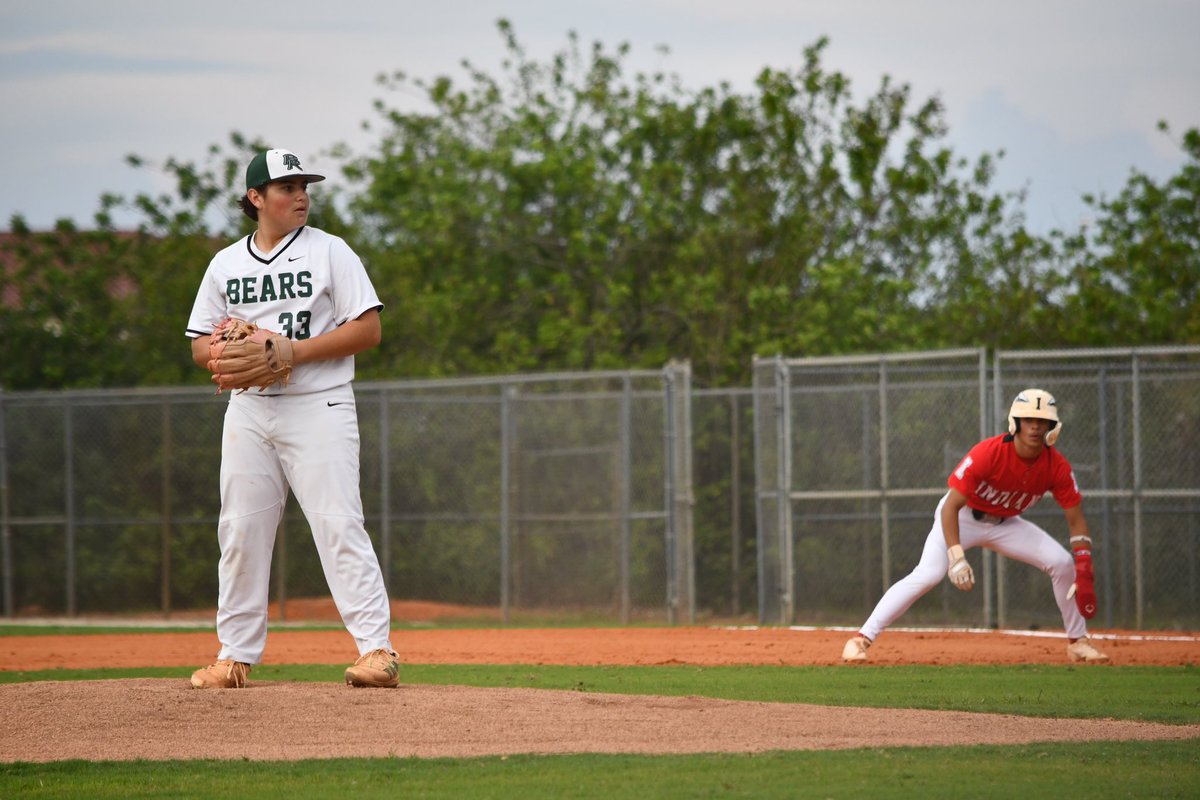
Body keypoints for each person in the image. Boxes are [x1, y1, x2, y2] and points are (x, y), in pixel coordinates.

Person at [184, 148, 399, 689]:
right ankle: (233, 657)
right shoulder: (226, 264)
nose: (300, 195)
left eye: (304, 186)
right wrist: (226, 352)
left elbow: (368, 330)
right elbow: (198, 347)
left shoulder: (331, 252)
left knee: (338, 524)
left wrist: (292, 351)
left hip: (319, 405)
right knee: (239, 531)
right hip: (249, 410)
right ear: (256, 198)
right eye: (286, 187)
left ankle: (377, 652)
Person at [842, 388, 1109, 664]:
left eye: (1042, 422)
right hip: (963, 517)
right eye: (1028, 419)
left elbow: (1076, 519)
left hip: (1007, 524)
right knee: (928, 574)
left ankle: (1078, 642)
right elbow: (950, 507)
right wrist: (956, 557)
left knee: (1063, 563)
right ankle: (860, 639)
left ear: (1053, 428)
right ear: (1015, 423)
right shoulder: (989, 453)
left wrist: (1084, 564)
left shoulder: (1057, 466)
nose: (1035, 427)